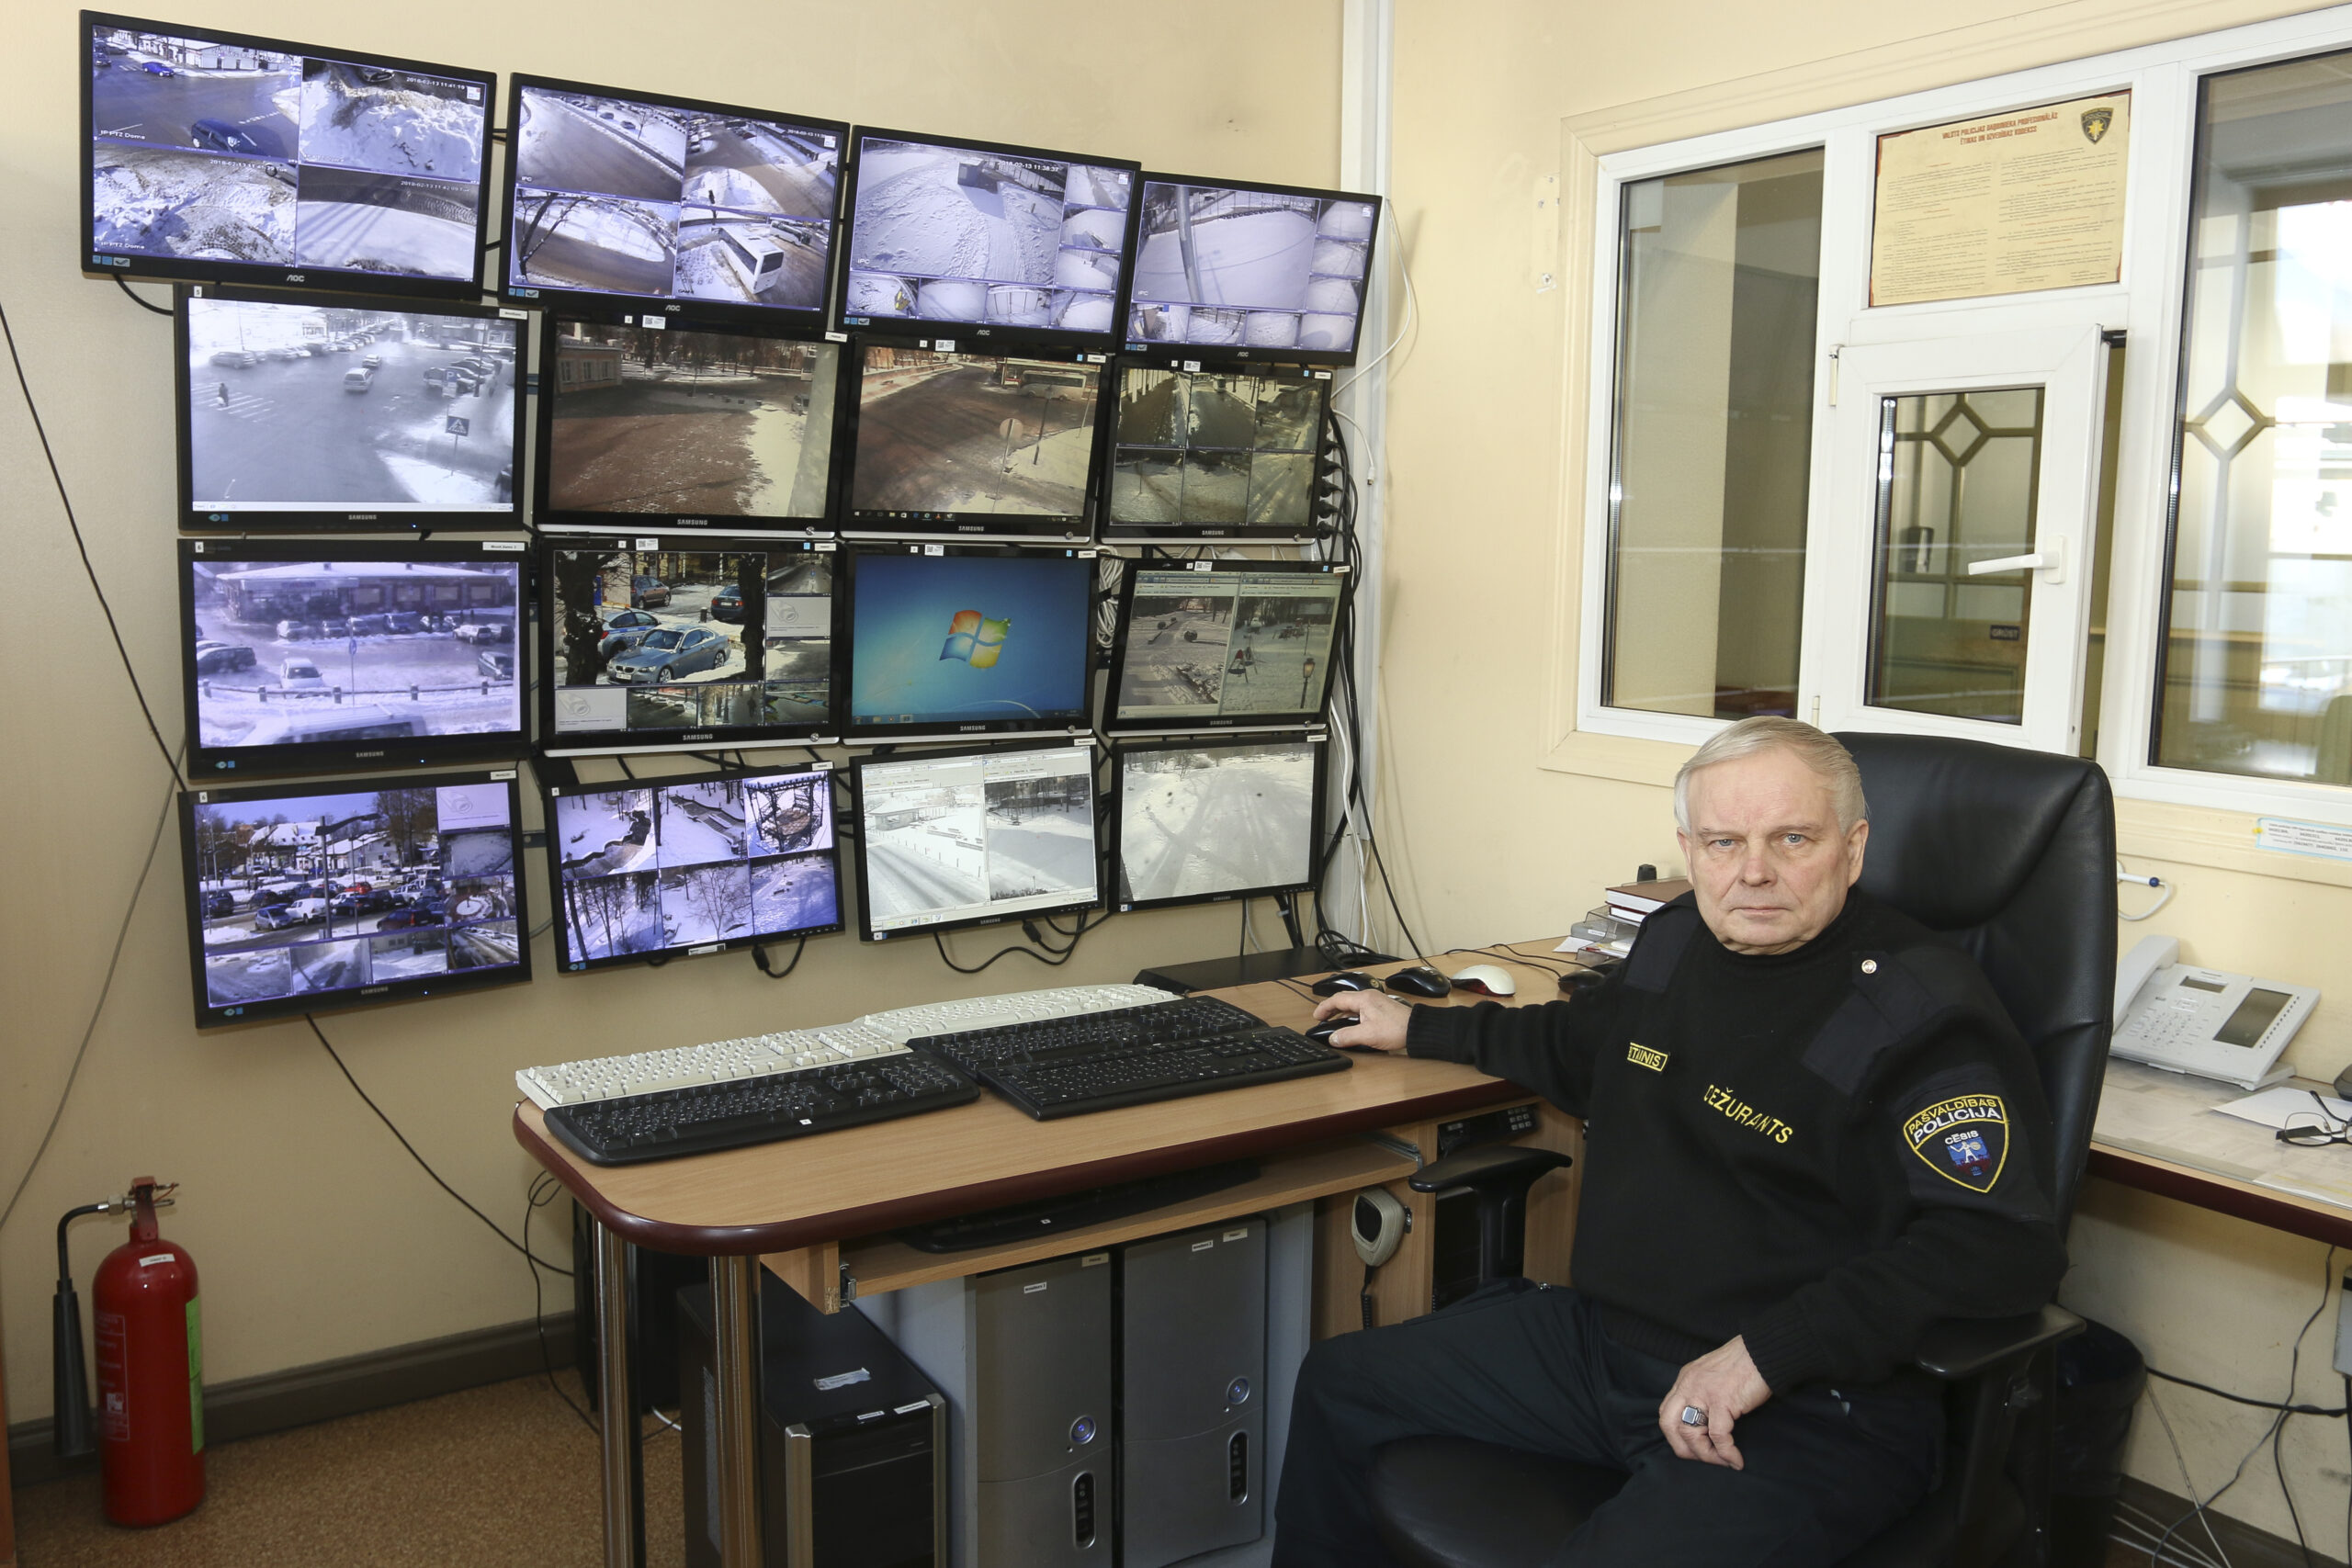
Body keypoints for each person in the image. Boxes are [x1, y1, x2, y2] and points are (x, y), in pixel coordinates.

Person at [1273, 717, 2068, 1567]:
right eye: (1725, 842)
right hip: (1606, 1349)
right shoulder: (1679, 936)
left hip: (1808, 1402)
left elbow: (2002, 1248)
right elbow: (1588, 1045)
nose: (1754, 871)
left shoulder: (1921, 1015)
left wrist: (1764, 1355)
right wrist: (1420, 1027)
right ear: (1690, 850)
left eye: (1792, 838)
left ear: (1854, 848)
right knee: (1340, 1384)